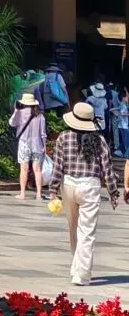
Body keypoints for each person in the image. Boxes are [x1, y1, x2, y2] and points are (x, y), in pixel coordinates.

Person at [48, 101, 119, 286]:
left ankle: (76, 266)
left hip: (69, 185)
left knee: (73, 229)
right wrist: (113, 192)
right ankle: (82, 273)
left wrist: (53, 189)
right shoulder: (100, 141)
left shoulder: (63, 137)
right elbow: (107, 168)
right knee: (87, 232)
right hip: (90, 187)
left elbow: (58, 166)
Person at [10, 89, 47, 201]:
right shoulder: (40, 115)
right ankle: (39, 194)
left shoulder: (20, 113)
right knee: (37, 170)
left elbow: (12, 123)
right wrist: (44, 146)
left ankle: (22, 193)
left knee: (24, 169)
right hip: (37, 144)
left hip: (24, 143)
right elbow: (43, 133)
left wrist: (16, 111)